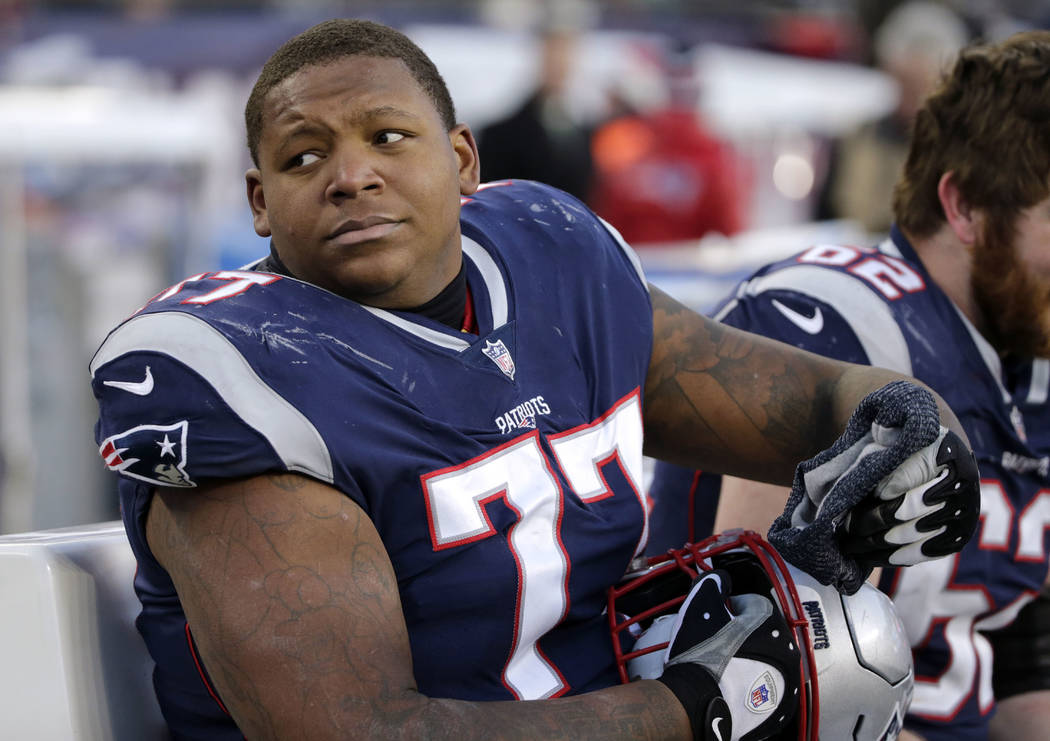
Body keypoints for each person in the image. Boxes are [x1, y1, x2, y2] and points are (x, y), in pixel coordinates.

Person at [90, 19, 978, 740]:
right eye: (303, 157)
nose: (351, 176)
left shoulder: (552, 258)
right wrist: (692, 705)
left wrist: (908, 431)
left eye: (388, 138)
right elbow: (357, 731)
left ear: (464, 160)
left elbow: (816, 402)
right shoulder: (238, 374)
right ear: (258, 201)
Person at [650, 30, 1050, 741]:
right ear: (964, 207)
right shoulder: (839, 327)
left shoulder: (1027, 351)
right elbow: (759, 680)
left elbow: (1020, 653)